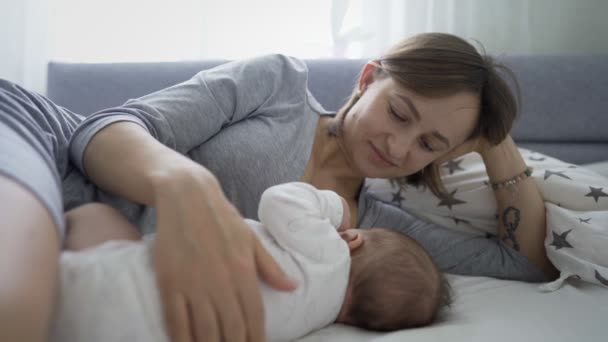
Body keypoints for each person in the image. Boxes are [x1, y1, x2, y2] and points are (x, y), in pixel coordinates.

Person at [0, 32, 557, 342]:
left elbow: (525, 262)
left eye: (430, 145)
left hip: (96, 266)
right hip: (41, 148)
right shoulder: (280, 84)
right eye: (400, 112)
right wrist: (185, 185)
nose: (401, 147)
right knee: (15, 304)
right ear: (368, 80)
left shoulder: (370, 230)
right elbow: (103, 130)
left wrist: (491, 137)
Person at [51, 182, 449, 342]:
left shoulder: (329, 253)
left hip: (124, 287)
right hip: (148, 332)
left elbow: (278, 201)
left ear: (353, 240)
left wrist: (333, 206)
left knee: (94, 217)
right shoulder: (312, 319)